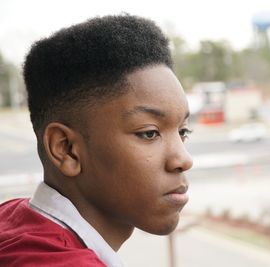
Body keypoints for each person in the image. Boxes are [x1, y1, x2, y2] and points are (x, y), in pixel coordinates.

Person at [0, 14, 193, 266]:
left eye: (183, 132)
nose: (183, 160)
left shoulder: (13, 218)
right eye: (149, 133)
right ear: (66, 150)